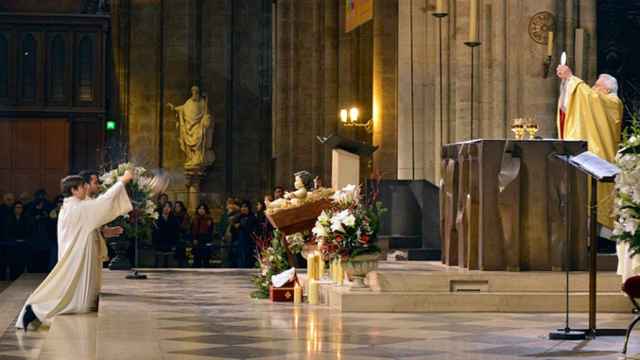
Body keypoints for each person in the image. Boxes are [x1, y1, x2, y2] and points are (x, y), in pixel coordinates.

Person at [16, 171, 134, 331]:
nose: (85, 188)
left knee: (76, 298)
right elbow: (104, 202)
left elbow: (89, 223)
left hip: (79, 254)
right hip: (77, 257)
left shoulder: (72, 205)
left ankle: (37, 312)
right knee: (73, 298)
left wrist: (104, 232)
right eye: (82, 187)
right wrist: (122, 182)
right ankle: (36, 311)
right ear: (73, 190)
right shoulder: (77, 207)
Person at [4, 202, 32, 280]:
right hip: (12, 245)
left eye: (20, 207)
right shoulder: (9, 218)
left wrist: (23, 239)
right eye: (17, 207)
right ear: (14, 208)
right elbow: (7, 231)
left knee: (21, 264)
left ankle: (21, 279)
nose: (19, 209)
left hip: (23, 245)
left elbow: (28, 231)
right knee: (13, 264)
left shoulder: (26, 218)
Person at [153, 202, 179, 268]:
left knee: (169, 264)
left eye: (168, 207)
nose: (167, 208)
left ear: (171, 209)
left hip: (170, 242)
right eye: (165, 206)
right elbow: (154, 232)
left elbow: (176, 232)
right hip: (159, 242)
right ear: (162, 208)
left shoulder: (174, 219)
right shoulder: (156, 218)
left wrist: (174, 243)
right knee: (159, 263)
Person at [27, 199, 50, 273]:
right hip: (35, 239)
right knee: (35, 257)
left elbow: (48, 222)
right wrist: (35, 219)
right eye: (39, 204)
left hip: (44, 239)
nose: (41, 205)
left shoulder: (45, 211)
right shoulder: (31, 212)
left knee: (44, 257)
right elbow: (29, 224)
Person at [233, 201, 257, 268]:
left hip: (249, 241)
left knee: (248, 258)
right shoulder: (239, 217)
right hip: (239, 241)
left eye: (245, 207)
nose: (243, 208)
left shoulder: (253, 217)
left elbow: (251, 228)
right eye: (242, 207)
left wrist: (240, 226)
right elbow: (234, 228)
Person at [191, 203, 213, 267]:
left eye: (203, 208)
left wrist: (209, 241)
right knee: (197, 260)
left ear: (206, 210)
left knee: (206, 260)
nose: (201, 210)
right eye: (200, 208)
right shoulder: (194, 219)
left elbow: (210, 230)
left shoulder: (209, 219)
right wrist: (194, 239)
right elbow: (192, 230)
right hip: (197, 240)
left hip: (206, 240)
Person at [172, 201, 191, 267]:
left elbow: (186, 227)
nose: (177, 208)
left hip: (183, 238)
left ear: (181, 207)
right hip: (174, 237)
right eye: (176, 206)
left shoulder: (185, 215)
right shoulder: (172, 215)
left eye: (178, 206)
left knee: (182, 255)